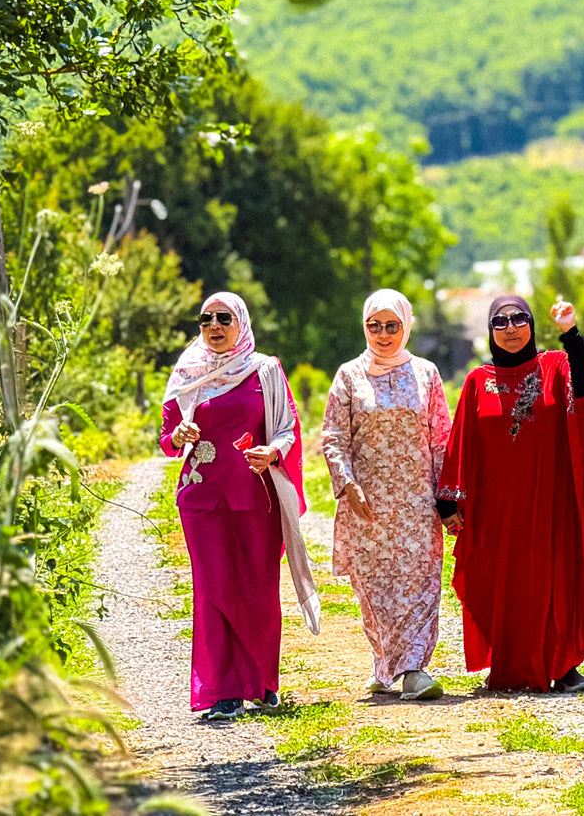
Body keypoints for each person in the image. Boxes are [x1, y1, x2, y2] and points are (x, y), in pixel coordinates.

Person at [437, 296, 584, 693]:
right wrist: (449, 501)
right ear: (490, 330)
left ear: (532, 324)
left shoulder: (556, 366)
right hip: (497, 508)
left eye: (519, 319)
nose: (511, 328)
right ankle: (512, 662)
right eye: (500, 322)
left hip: (553, 501)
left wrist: (571, 333)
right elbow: (460, 443)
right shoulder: (477, 382)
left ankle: (563, 666)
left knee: (556, 580)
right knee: (503, 584)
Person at [160, 291, 316, 722]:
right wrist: (178, 437)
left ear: (240, 322)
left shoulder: (264, 370)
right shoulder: (187, 372)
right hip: (202, 499)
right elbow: (167, 436)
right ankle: (223, 690)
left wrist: (273, 452)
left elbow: (287, 427)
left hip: (255, 496)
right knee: (214, 591)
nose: (214, 326)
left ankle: (263, 685)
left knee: (258, 589)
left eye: (223, 318)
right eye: (205, 318)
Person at [321, 289, 450, 701]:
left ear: (406, 325)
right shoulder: (348, 376)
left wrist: (448, 497)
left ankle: (414, 669)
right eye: (374, 326)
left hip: (416, 502)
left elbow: (441, 438)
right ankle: (385, 663)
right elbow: (334, 437)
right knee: (375, 590)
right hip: (367, 503)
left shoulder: (426, 374)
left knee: (419, 585)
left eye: (391, 325)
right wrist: (347, 484)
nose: (382, 334)